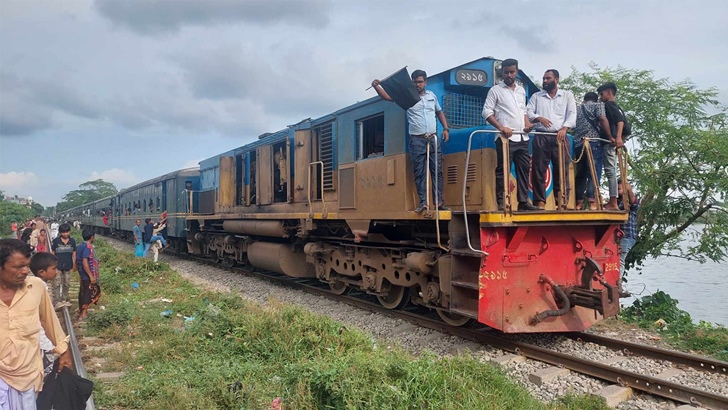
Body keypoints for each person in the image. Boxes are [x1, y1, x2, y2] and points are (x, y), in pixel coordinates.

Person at [0, 239, 72, 406]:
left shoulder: (36, 287)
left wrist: (63, 351)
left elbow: (50, 322)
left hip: (28, 373)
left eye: (27, 265)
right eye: (18, 266)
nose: (26, 271)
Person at [371, 69, 451, 213]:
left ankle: (439, 202)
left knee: (437, 171)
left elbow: (439, 112)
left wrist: (445, 128)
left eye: (420, 82)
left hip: (433, 138)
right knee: (420, 172)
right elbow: (387, 97)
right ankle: (423, 203)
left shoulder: (432, 96)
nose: (417, 85)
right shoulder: (407, 96)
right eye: (415, 82)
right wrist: (377, 86)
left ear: (425, 82)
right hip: (417, 140)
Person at [482, 58, 538, 211]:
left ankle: (523, 202)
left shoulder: (521, 90)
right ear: (502, 73)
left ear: (517, 72)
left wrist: (527, 124)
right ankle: (501, 202)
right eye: (506, 72)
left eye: (512, 72)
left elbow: (523, 112)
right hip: (505, 138)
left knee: (524, 169)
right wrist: (501, 127)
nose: (509, 75)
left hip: (522, 137)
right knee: (503, 171)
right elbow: (486, 112)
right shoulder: (495, 90)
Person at [528, 69, 577, 210]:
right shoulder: (537, 96)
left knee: (562, 170)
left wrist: (564, 129)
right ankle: (540, 202)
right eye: (543, 78)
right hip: (541, 136)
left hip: (560, 137)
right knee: (538, 169)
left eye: (548, 78)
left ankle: (561, 202)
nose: (545, 81)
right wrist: (538, 117)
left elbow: (572, 115)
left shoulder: (567, 96)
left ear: (556, 79)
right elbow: (529, 112)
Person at [573, 92, 611, 210]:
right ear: (595, 99)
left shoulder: (577, 108)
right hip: (593, 142)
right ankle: (593, 202)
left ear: (584, 100)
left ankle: (578, 202)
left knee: (581, 173)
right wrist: (610, 136)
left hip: (579, 144)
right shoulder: (598, 105)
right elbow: (602, 119)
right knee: (594, 173)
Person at [596, 82, 626, 210]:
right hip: (613, 141)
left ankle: (613, 202)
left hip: (609, 141)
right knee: (611, 170)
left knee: (610, 171)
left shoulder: (608, 105)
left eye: (602, 94)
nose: (600, 97)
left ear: (609, 93)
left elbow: (620, 121)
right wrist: (621, 138)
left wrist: (617, 137)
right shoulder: (618, 107)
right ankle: (613, 200)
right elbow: (627, 127)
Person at [76, 229, 101, 320]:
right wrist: (91, 276)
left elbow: (76, 259)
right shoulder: (88, 247)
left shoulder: (79, 246)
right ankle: (83, 314)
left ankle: (80, 311)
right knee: (88, 293)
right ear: (92, 237)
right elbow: (85, 262)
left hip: (82, 273)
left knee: (83, 292)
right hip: (87, 274)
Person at [618, 178, 640, 283]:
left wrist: (629, 190)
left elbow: (635, 203)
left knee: (620, 260)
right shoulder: (617, 201)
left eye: (620, 187)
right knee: (618, 259)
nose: (618, 189)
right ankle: (617, 281)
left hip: (627, 236)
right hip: (622, 236)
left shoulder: (628, 202)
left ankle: (618, 281)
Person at [51, 223, 76, 306]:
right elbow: (53, 253)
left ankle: (64, 298)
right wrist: (52, 265)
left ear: (70, 232)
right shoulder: (56, 241)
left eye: (67, 232)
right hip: (58, 266)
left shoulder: (72, 241)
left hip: (68, 265)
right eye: (63, 232)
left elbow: (74, 253)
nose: (65, 234)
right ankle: (57, 300)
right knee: (57, 283)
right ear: (60, 233)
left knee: (67, 283)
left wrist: (74, 263)